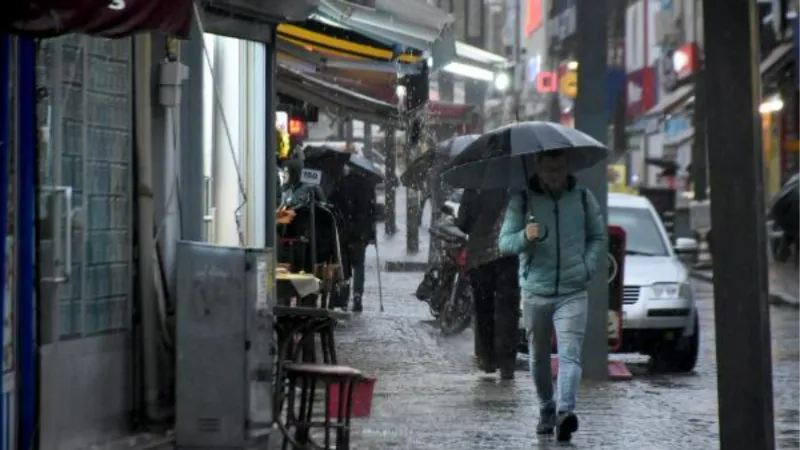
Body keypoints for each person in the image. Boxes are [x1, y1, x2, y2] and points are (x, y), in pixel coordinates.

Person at [498, 150, 606, 442]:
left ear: (567, 168)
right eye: (548, 170)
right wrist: (525, 236)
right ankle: (547, 407)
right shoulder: (523, 200)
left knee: (570, 355)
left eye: (558, 169)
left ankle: (565, 412)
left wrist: (587, 266)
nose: (554, 175)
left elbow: (598, 236)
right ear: (538, 170)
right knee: (539, 359)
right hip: (536, 290)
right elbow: (505, 243)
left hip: (573, 290)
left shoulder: (583, 199)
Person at [455, 188, 520, 380]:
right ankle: (507, 362)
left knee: (484, 308)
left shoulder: (475, 185)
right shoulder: (514, 185)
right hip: (507, 254)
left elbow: (463, 224)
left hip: (480, 257)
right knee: (508, 309)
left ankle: (488, 358)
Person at [330, 165, 377, 312]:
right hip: (360, 232)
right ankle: (357, 296)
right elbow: (372, 212)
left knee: (345, 265)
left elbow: (334, 205)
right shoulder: (368, 185)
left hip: (345, 231)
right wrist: (371, 233)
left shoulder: (342, 183)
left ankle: (343, 298)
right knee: (359, 266)